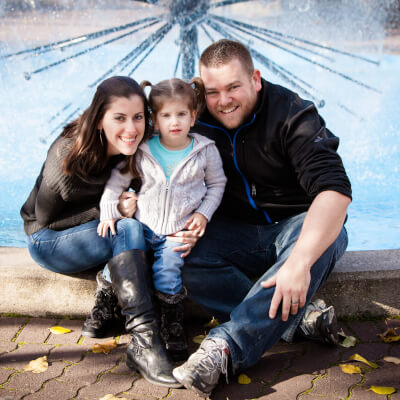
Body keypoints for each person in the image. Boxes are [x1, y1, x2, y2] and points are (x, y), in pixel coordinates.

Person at [170, 39, 352, 396]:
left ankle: (225, 348)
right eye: (213, 91)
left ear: (255, 79)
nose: (223, 101)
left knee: (330, 235)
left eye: (233, 87)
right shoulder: (193, 117)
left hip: (293, 228)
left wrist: (299, 263)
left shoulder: (293, 113)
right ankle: (296, 321)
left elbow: (335, 191)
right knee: (175, 250)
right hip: (234, 232)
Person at [20, 76, 181, 388]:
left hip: (99, 234)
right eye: (119, 118)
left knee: (157, 231)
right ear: (98, 120)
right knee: (128, 228)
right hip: (49, 239)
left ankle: (110, 303)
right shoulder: (67, 156)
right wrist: (108, 211)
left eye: (138, 117)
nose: (131, 129)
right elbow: (46, 219)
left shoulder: (140, 147)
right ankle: (145, 343)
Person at [97, 77, 227, 361]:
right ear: (155, 120)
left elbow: (217, 185)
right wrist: (109, 208)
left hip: (177, 231)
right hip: (144, 225)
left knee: (168, 271)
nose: (174, 122)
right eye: (166, 115)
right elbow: (117, 181)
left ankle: (171, 324)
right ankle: (105, 302)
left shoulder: (205, 150)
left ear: (193, 116)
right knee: (122, 258)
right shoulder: (144, 149)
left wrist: (203, 214)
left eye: (181, 114)